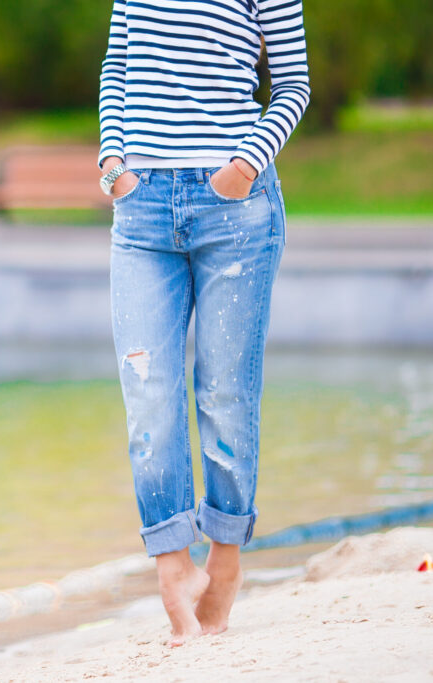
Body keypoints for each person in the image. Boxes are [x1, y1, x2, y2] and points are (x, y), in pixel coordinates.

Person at [96, 0, 310, 646]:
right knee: (148, 393)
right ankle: (172, 566)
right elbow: (118, 66)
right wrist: (113, 165)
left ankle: (225, 557)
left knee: (224, 392)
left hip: (234, 209)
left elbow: (294, 84)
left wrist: (242, 168)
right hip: (141, 209)